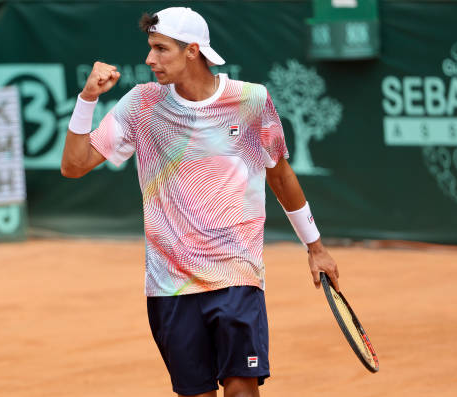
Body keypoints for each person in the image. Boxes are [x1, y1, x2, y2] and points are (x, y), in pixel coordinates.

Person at [61, 7, 339, 397]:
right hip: (170, 285)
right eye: (150, 48)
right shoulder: (142, 104)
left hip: (236, 275)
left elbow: (280, 175)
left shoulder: (251, 100)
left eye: (160, 49)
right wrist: (87, 98)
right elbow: (73, 166)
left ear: (192, 51)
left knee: (242, 390)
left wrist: (316, 248)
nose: (149, 59)